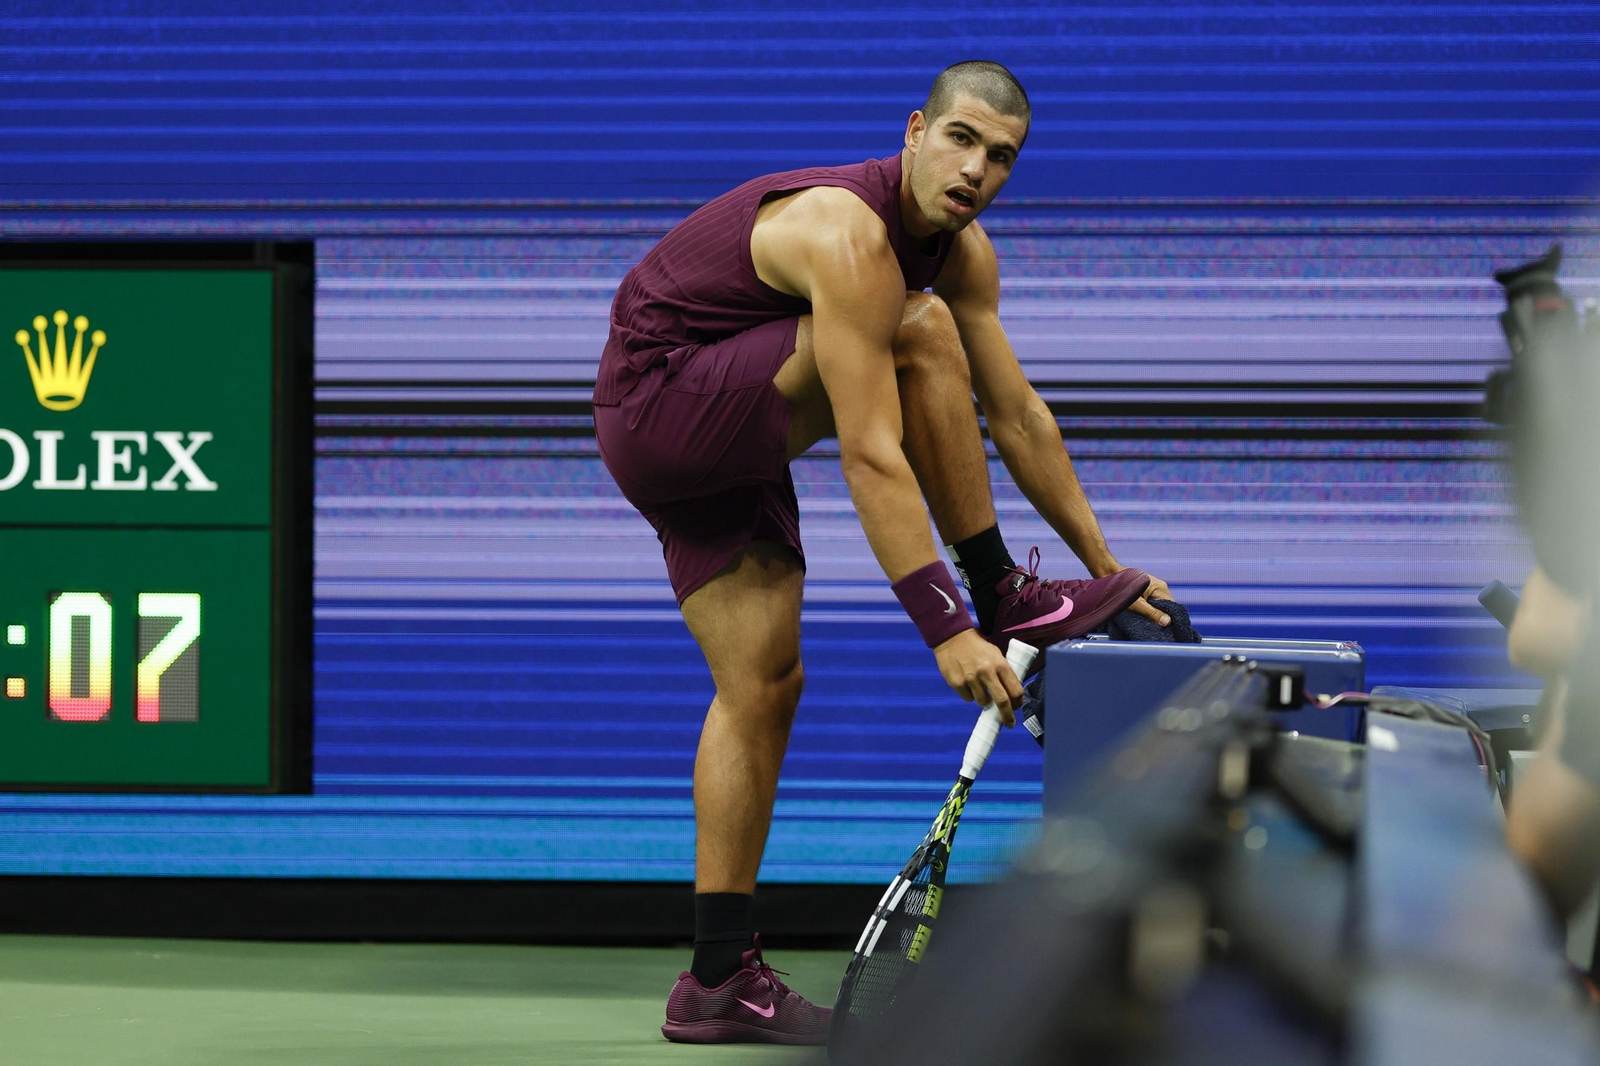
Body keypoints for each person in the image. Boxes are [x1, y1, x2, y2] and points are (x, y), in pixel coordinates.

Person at [592, 60, 1172, 1045]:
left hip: (728, 430)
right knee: (919, 327)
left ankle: (715, 977)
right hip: (662, 402)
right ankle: (1003, 590)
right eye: (960, 139)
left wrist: (1109, 571)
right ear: (914, 130)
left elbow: (1019, 417)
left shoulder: (965, 251)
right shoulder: (851, 234)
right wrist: (949, 620)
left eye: (1001, 157)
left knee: (760, 687)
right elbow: (869, 445)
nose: (976, 168)